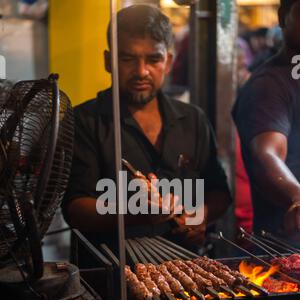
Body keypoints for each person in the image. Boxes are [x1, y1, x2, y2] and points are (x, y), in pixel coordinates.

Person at [62, 5, 231, 258]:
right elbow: (75, 210)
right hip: (111, 276)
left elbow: (219, 191)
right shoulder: (83, 121)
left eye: (153, 59)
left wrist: (201, 215)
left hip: (186, 273)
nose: (141, 71)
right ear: (109, 61)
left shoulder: (193, 119)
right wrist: (136, 214)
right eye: (128, 59)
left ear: (169, 61)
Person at [232, 0, 300, 243]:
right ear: (283, 17)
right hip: (287, 255)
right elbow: (267, 152)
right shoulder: (268, 86)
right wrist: (296, 195)